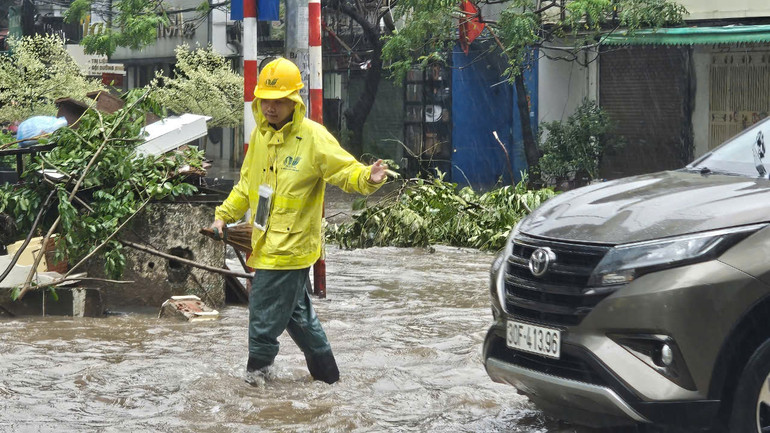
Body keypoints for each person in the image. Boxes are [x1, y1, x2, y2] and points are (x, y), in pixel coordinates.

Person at [211, 58, 387, 384]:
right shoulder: (261, 139)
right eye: (266, 100)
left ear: (294, 101)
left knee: (262, 321)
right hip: (266, 245)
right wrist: (223, 216)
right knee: (301, 318)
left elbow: (344, 170)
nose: (271, 108)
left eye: (279, 101)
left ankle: (255, 390)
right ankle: (330, 383)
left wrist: (369, 177)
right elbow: (246, 187)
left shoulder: (313, 137)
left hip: (289, 250)